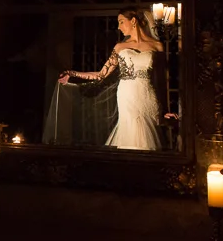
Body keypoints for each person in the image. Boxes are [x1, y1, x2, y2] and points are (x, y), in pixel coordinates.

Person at [58, 8, 165, 150]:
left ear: (133, 21)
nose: (119, 27)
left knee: (149, 135)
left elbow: (161, 81)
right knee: (132, 130)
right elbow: (101, 75)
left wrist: (166, 109)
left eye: (121, 22)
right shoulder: (120, 47)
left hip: (148, 96)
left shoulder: (157, 46)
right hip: (127, 95)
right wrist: (72, 73)